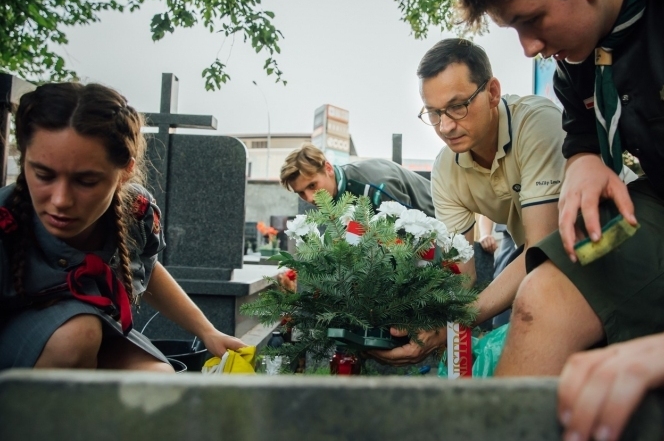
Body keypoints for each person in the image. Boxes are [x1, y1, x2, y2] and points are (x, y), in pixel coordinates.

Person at [458, 0, 664, 439]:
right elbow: (582, 123)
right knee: (543, 299)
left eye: (531, 20)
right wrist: (584, 160)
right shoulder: (579, 45)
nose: (529, 47)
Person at [0, 82, 246, 371]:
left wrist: (207, 331)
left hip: (97, 327)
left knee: (157, 378)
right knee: (77, 336)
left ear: (125, 171)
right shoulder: (7, 220)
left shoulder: (135, 211)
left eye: (86, 181)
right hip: (25, 339)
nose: (60, 200)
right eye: (44, 175)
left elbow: (147, 269)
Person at [373, 37, 572, 365]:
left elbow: (542, 246)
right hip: (544, 259)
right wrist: (430, 321)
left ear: (492, 92)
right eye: (434, 112)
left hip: (607, 242)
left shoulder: (537, 124)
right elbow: (461, 276)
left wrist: (452, 325)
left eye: (457, 106)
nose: (446, 126)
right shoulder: (445, 170)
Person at [280, 143, 436, 217]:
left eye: (312, 185)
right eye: (301, 193)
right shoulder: (335, 195)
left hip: (444, 229)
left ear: (328, 168)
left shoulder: (375, 185)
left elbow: (407, 237)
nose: (309, 198)